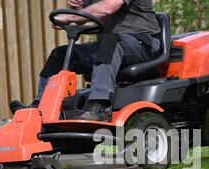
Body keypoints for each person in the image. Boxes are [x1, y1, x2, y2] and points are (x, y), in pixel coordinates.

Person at [10, 0, 161, 121]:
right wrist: (79, 7)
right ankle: (39, 106)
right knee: (60, 54)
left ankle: (98, 106)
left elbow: (108, 7)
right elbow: (89, 14)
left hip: (143, 43)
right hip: (109, 46)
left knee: (110, 42)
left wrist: (70, 17)